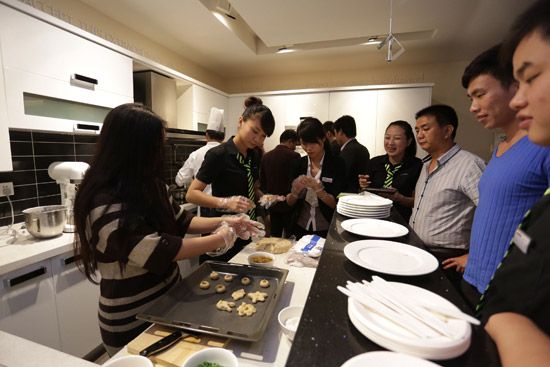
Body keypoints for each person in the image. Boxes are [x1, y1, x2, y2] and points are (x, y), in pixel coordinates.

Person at [72, 103, 262, 355]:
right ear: (132, 149)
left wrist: (228, 221)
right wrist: (219, 238)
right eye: (155, 147)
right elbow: (158, 250)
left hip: (170, 304)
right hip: (131, 318)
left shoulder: (150, 185)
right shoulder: (103, 201)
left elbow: (183, 221)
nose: (159, 154)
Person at [450, 45, 550, 309]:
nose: (473, 107)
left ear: (514, 87)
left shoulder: (542, 145)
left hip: (511, 294)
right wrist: (474, 255)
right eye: (470, 98)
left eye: (480, 95)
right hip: (474, 281)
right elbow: (497, 214)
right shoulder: (501, 149)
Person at [480, 2, 550, 364]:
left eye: (531, 77)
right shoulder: (503, 150)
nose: (519, 97)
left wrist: (505, 319)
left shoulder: (539, 150)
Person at [186, 96, 275, 262]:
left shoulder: (253, 155)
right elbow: (191, 194)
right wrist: (225, 202)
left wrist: (263, 197)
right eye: (254, 131)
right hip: (222, 230)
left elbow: (252, 187)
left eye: (263, 136)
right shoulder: (218, 155)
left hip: (245, 229)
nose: (258, 139)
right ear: (241, 121)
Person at [410, 104, 485, 290]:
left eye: (425, 129)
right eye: (417, 130)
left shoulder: (469, 165)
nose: (419, 135)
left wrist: (472, 256)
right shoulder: (425, 164)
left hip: (448, 258)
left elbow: (490, 213)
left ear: (447, 131)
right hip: (418, 250)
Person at [286, 117, 345, 238]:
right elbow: (289, 202)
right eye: (304, 143)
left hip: (327, 227)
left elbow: (338, 204)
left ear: (323, 138)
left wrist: (319, 190)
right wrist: (295, 193)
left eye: (312, 143)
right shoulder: (298, 164)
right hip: (300, 226)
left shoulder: (337, 164)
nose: (308, 148)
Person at [357, 120, 422, 221]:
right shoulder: (374, 162)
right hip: (374, 217)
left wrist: (400, 199)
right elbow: (364, 194)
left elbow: (419, 202)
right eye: (387, 137)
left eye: (397, 138)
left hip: (402, 221)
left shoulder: (417, 165)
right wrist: (363, 185)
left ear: (408, 141)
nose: (390, 143)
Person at [175, 107, 225, 217]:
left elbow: (179, 180)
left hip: (205, 206)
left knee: (209, 233)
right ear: (223, 136)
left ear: (206, 135)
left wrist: (192, 180)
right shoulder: (229, 153)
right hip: (226, 207)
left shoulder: (195, 155)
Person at [260, 129, 300, 237]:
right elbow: (297, 182)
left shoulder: (266, 156)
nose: (295, 147)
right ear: (290, 141)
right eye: (295, 144)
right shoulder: (294, 156)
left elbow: (262, 182)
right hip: (289, 204)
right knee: (290, 237)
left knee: (275, 235)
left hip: (272, 204)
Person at [333, 115, 370, 193]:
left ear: (341, 132)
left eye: (335, 133)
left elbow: (342, 177)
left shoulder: (348, 151)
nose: (335, 137)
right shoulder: (363, 148)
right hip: (360, 192)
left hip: (348, 195)